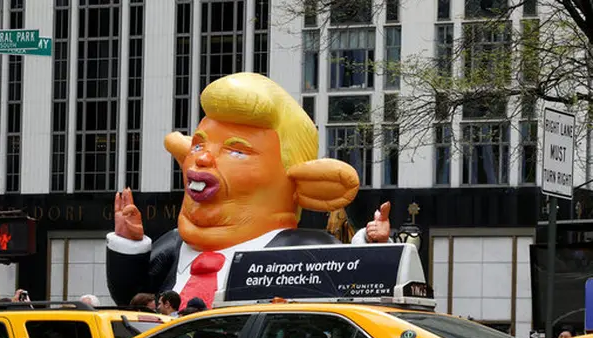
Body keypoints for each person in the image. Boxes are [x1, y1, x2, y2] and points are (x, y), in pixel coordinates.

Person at [106, 72, 392, 309]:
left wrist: (372, 245)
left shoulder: (303, 251)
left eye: (236, 150)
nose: (202, 158)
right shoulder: (175, 244)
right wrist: (129, 245)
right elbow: (131, 298)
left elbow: (352, 293)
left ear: (304, 182)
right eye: (198, 145)